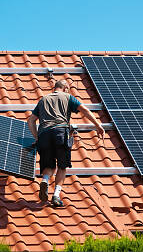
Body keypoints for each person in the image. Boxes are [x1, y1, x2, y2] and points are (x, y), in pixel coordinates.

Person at [28, 79, 105, 207]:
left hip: (44, 134)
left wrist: (37, 138)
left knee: (49, 165)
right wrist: (98, 125)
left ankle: (45, 181)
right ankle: (56, 196)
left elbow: (31, 121)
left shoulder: (43, 100)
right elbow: (84, 110)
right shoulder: (68, 97)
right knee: (62, 166)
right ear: (65, 88)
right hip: (60, 132)